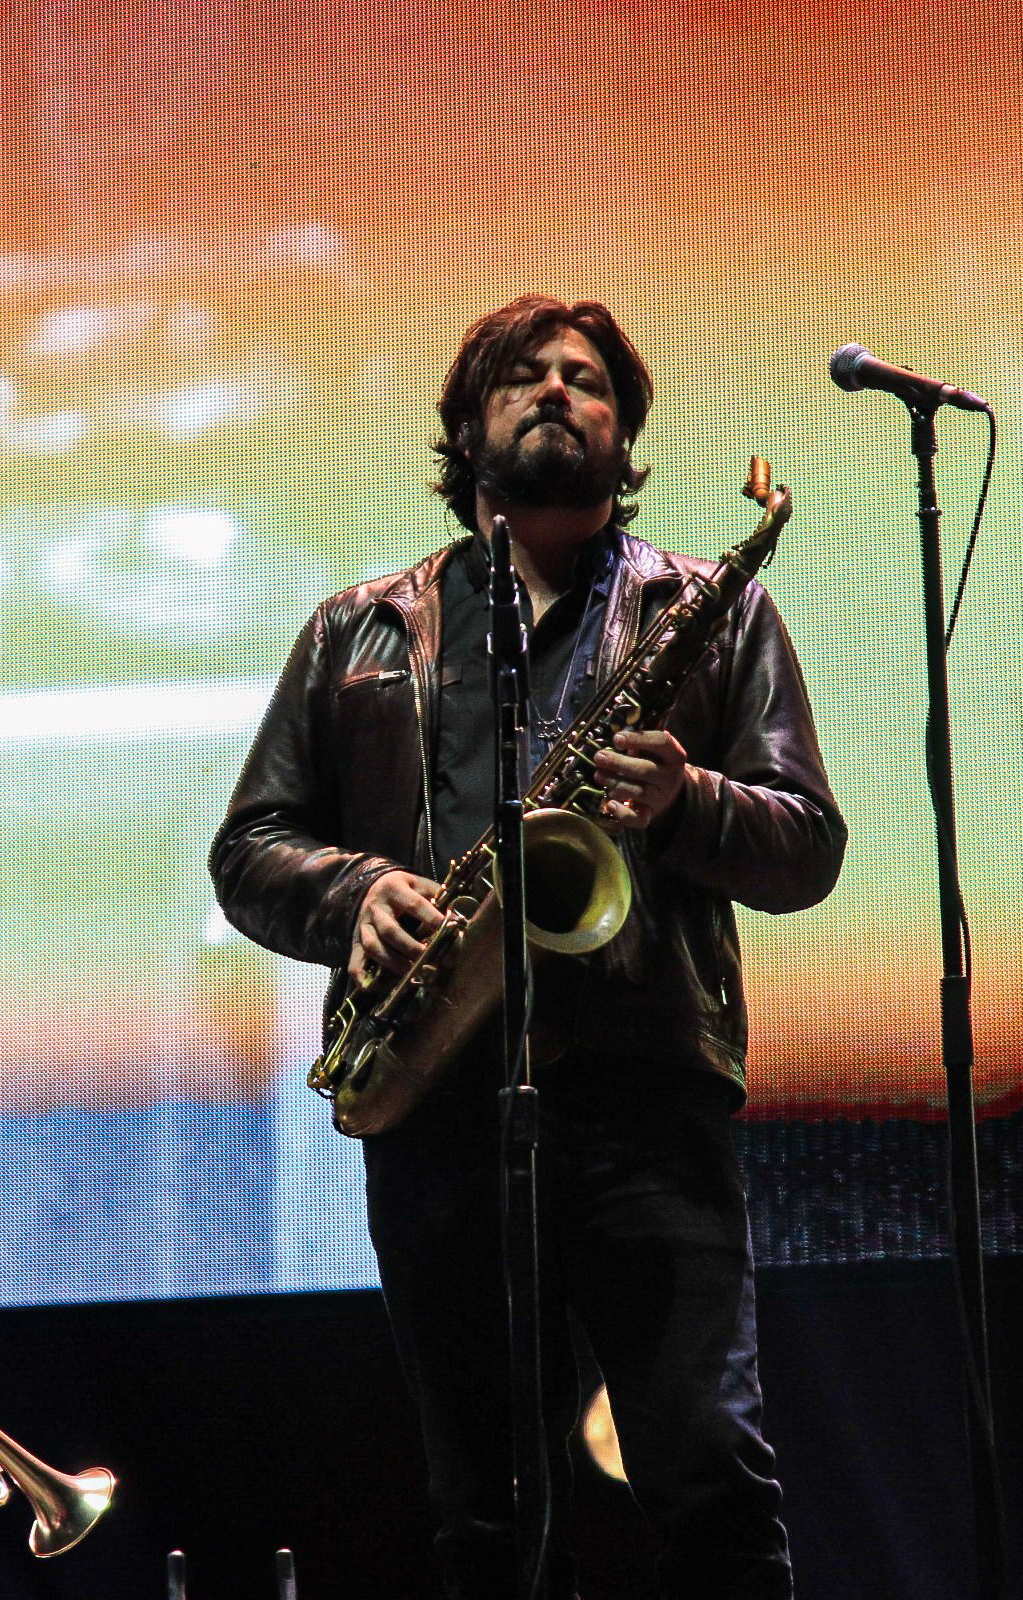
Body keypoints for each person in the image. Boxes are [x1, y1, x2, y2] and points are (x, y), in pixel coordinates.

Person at [209, 295, 844, 1599]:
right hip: (441, 1102)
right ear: (466, 428)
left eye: (587, 379)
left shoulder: (708, 611)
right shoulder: (353, 631)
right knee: (485, 1512)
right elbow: (250, 850)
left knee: (711, 1479)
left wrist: (689, 803)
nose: (558, 390)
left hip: (645, 1104)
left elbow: (809, 844)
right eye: (523, 376)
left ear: (624, 436)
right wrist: (356, 892)